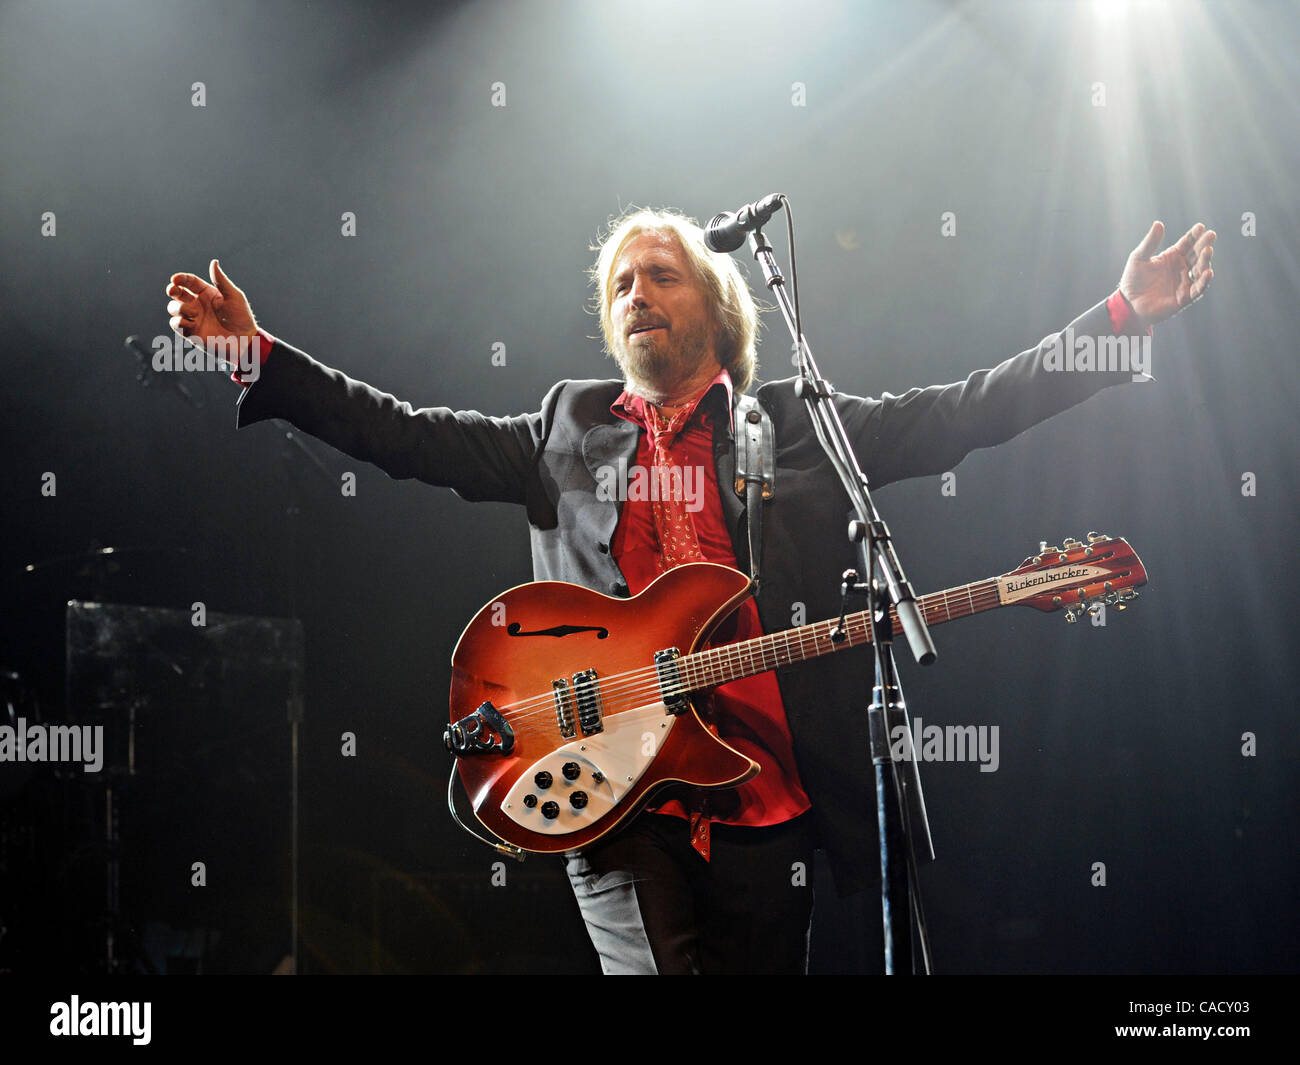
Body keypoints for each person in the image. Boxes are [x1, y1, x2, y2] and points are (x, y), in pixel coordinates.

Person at [166, 208, 1215, 974]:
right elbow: (399, 433)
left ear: (715, 305)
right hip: (608, 784)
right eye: (619, 283)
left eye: (659, 275)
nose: (635, 294)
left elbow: (965, 410)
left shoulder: (797, 429)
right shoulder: (563, 426)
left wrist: (1120, 317)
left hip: (765, 798)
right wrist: (263, 357)